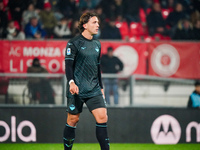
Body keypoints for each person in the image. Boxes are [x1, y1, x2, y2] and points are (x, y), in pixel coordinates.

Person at [64, 12, 110, 150]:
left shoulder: (97, 44)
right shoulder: (73, 43)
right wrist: (71, 82)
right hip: (77, 88)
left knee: (102, 117)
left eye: (98, 23)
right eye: (94, 22)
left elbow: (97, 67)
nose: (98, 25)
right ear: (85, 25)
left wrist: (101, 87)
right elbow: (68, 65)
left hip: (94, 88)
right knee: (73, 120)